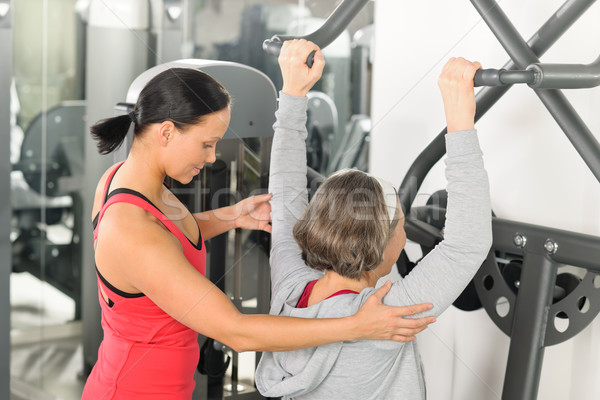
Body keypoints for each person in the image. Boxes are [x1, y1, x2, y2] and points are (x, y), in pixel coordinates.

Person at [82, 66, 437, 399]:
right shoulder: (132, 231)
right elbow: (236, 331)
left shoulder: (125, 182)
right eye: (207, 143)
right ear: (167, 132)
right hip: (134, 389)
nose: (211, 157)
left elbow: (168, 240)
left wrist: (231, 216)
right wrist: (356, 326)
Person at [254, 40, 492, 400]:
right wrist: (460, 120)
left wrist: (293, 93)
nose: (405, 229)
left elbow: (286, 192)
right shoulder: (384, 318)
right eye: (400, 223)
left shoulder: (290, 286)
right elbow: (465, 246)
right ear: (382, 247)